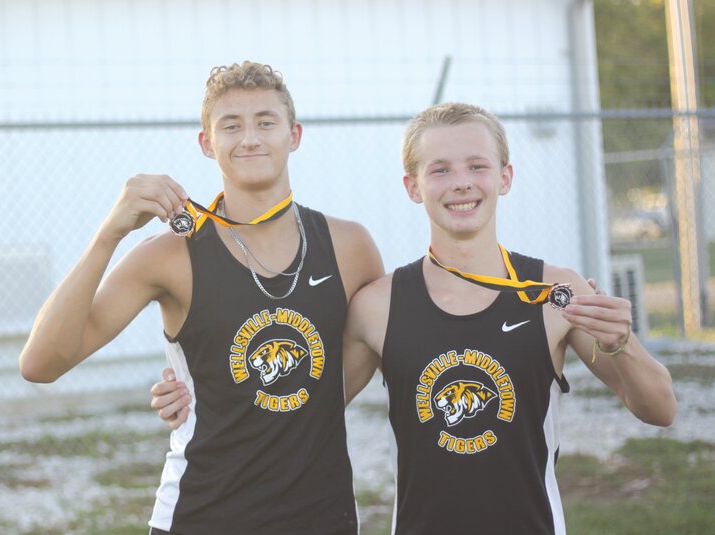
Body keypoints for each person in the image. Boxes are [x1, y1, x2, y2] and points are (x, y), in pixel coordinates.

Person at [153, 102, 677, 534]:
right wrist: (195, 397)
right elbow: (296, 407)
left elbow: (660, 409)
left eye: (477, 166)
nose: (461, 184)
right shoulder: (377, 306)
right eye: (440, 170)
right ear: (413, 186)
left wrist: (621, 343)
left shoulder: (554, 292)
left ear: (505, 177)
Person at [19, 61, 383, 535]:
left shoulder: (350, 246)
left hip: (322, 516)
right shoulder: (169, 257)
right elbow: (40, 363)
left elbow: (369, 355)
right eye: (231, 126)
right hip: (201, 514)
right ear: (207, 144)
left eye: (265, 122)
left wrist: (271, 402)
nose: (249, 138)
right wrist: (109, 234)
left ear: (294, 135)